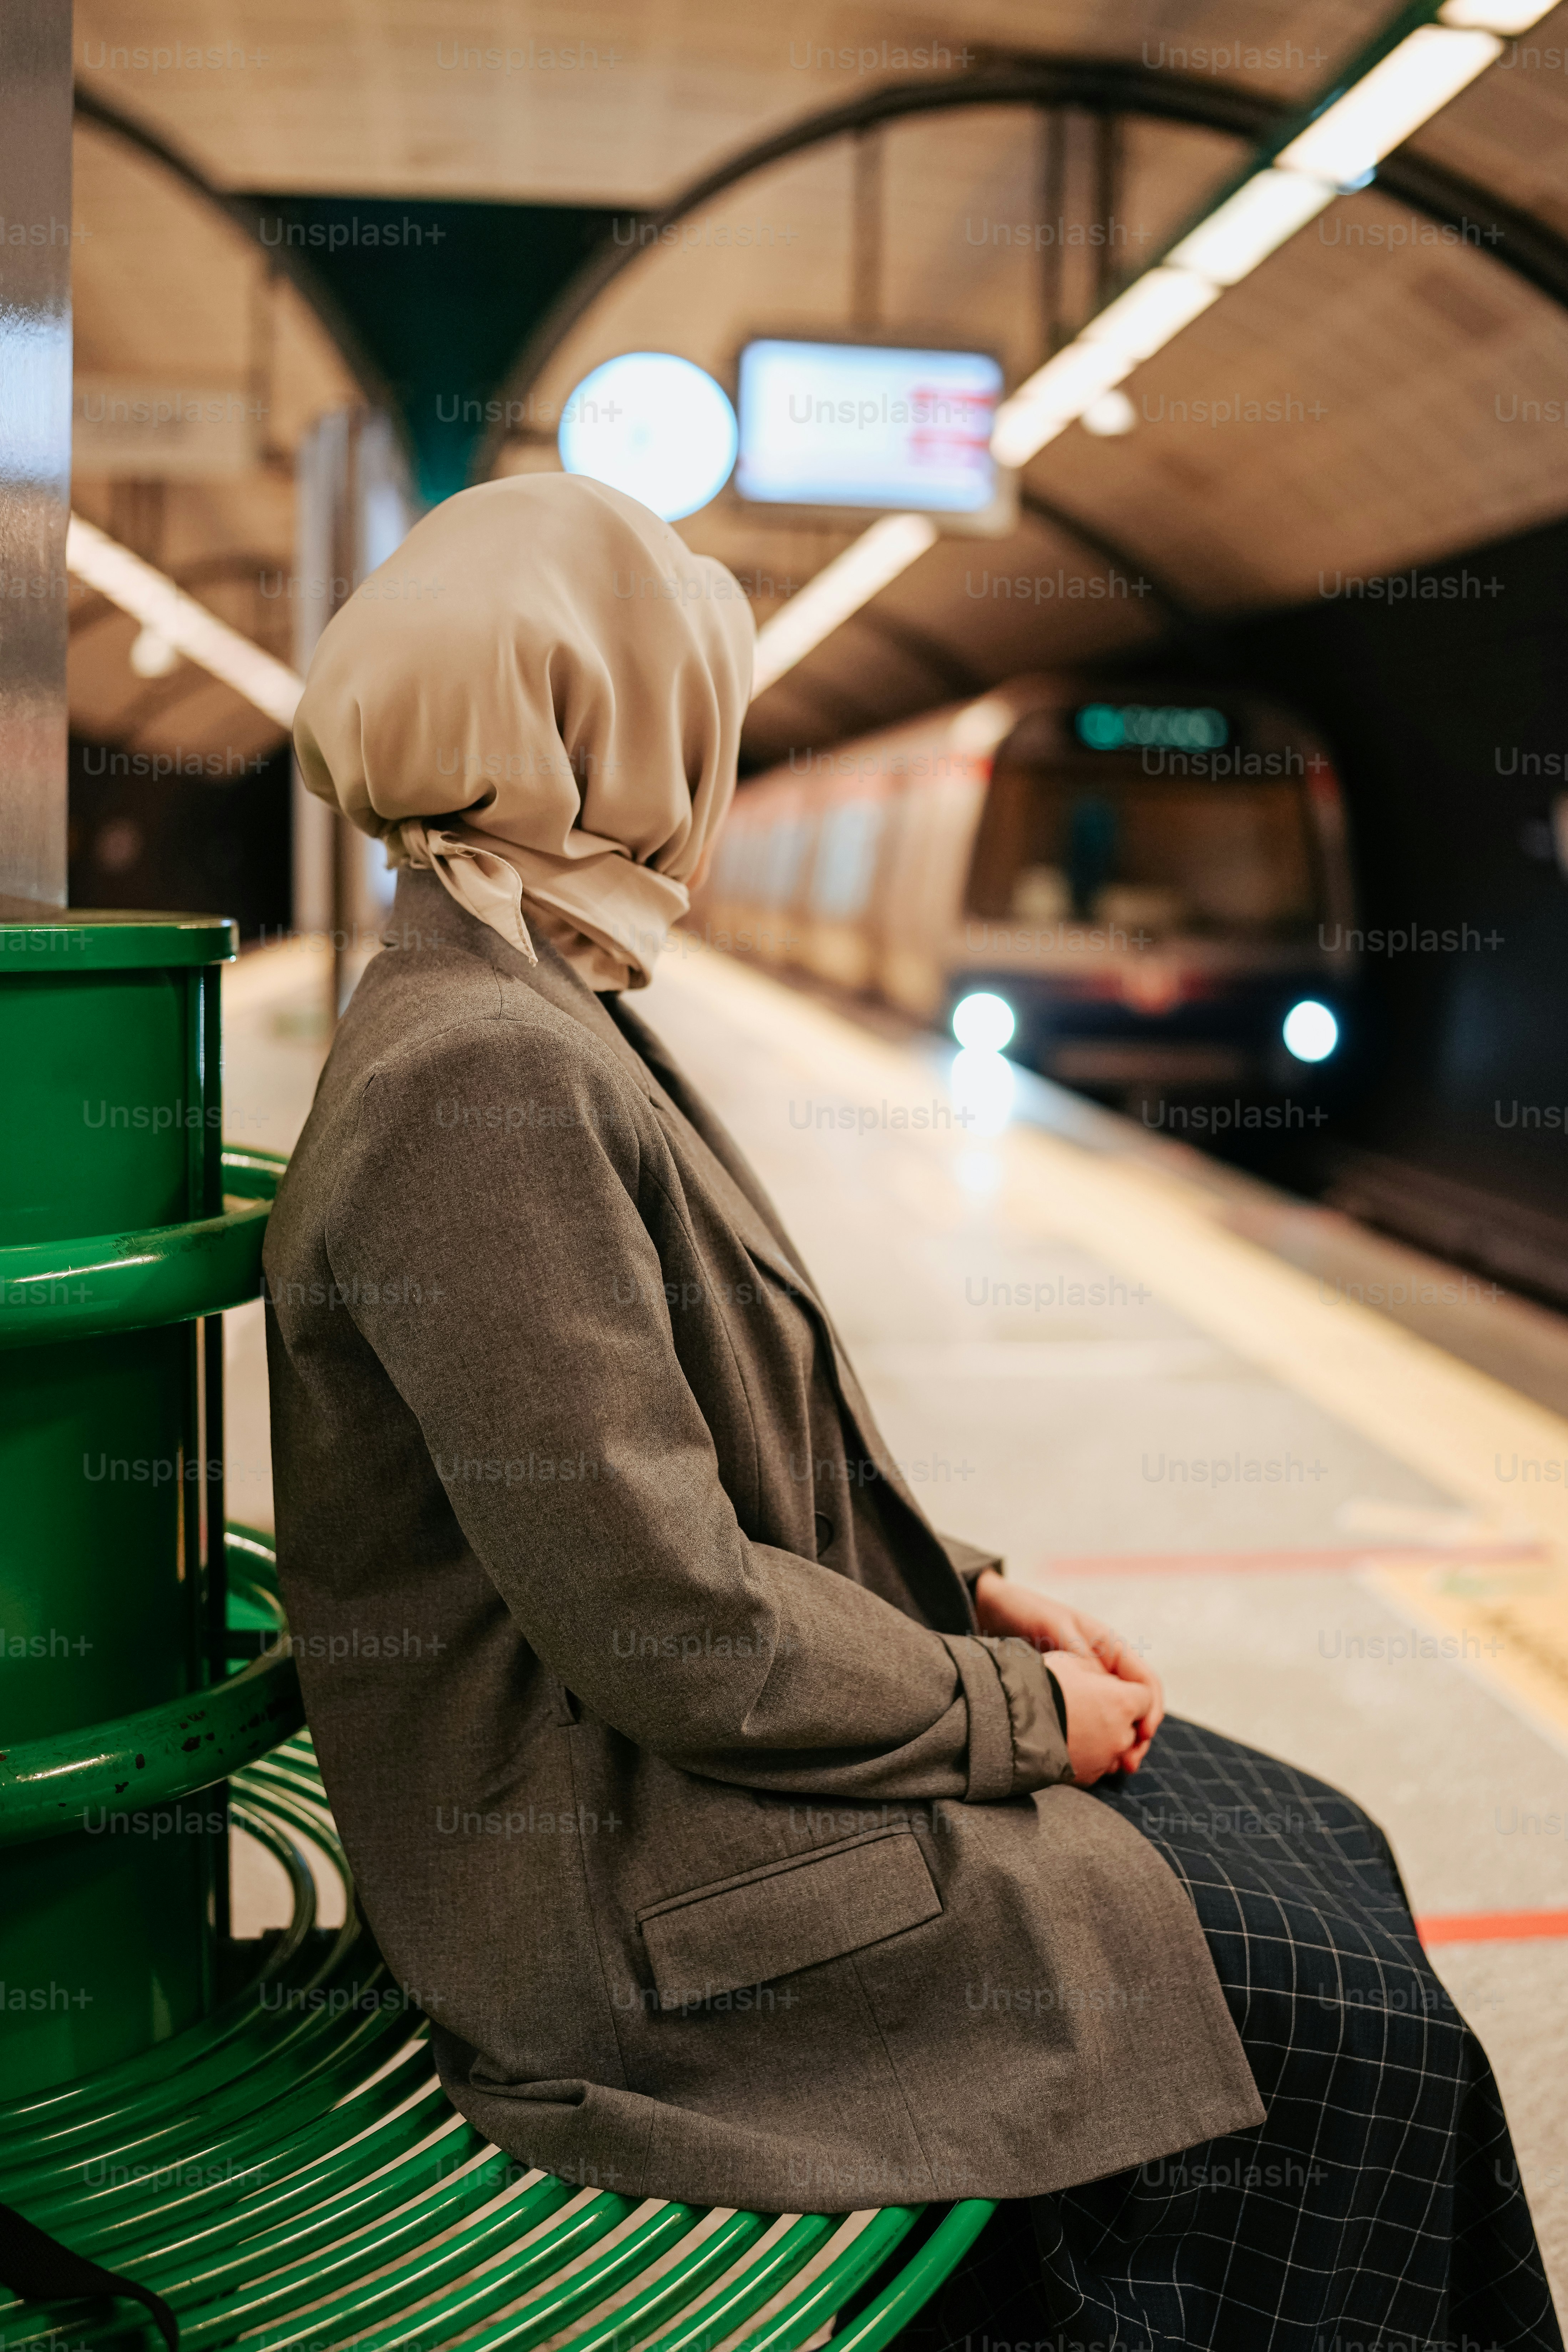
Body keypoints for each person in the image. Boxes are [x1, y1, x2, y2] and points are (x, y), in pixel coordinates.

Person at [264, 471, 1560, 2352]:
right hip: (626, 1911)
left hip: (672, 1790)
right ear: (602, 725)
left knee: (1326, 1846)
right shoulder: (481, 1073)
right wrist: (1024, 1717)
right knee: (1331, 2007)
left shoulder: (533, 1004)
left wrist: (972, 1591)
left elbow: (706, 1466)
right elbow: (675, 1626)